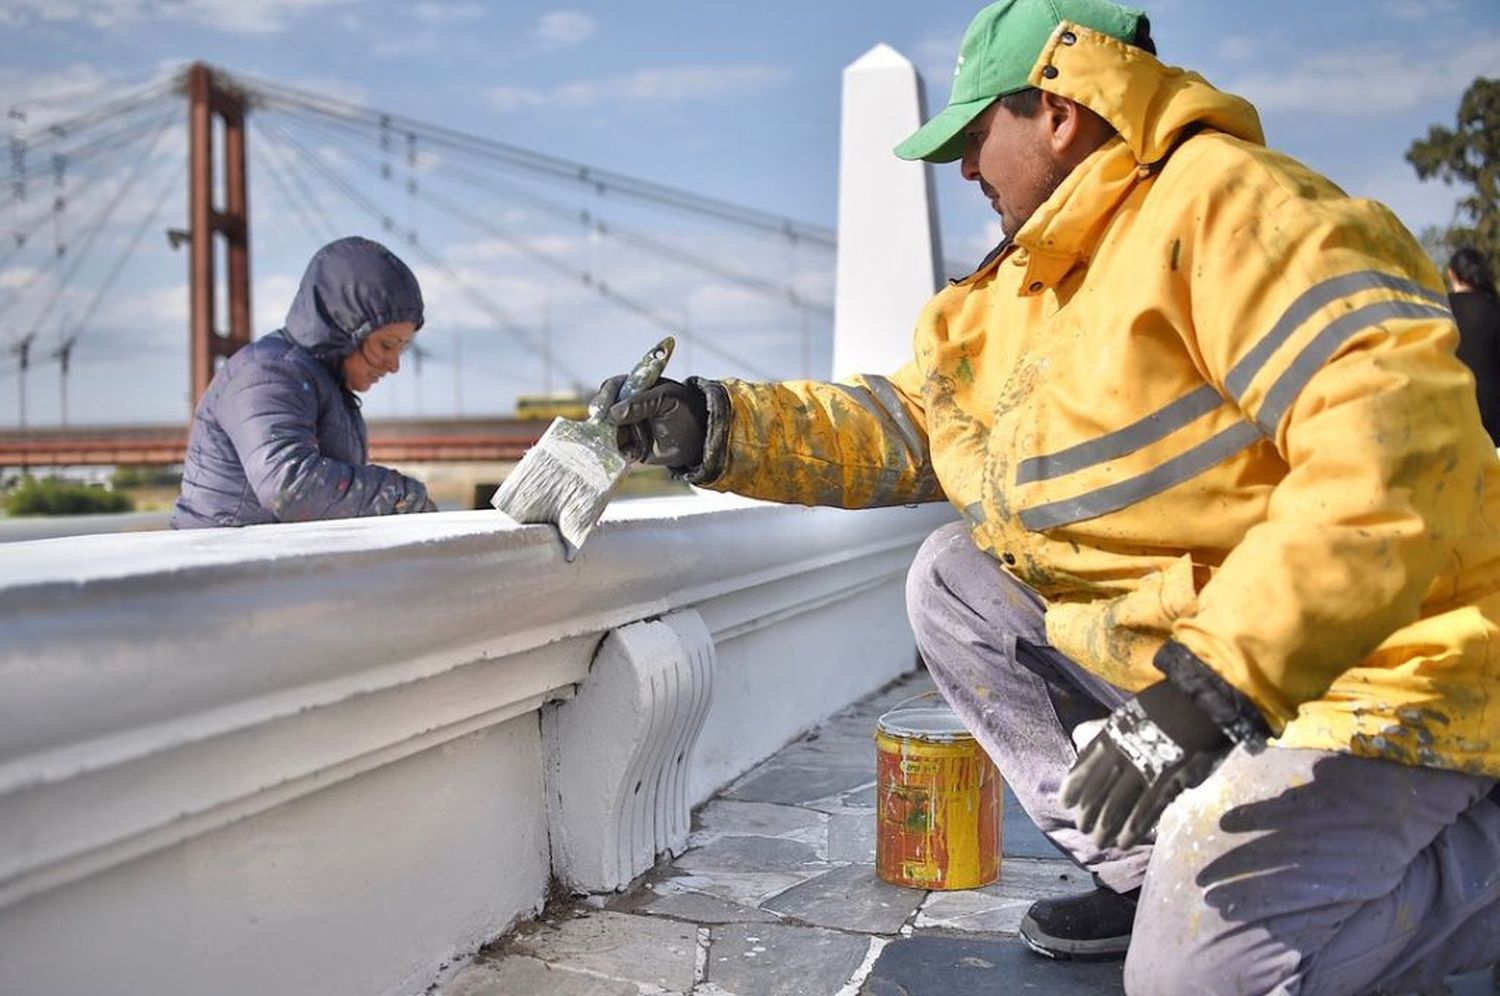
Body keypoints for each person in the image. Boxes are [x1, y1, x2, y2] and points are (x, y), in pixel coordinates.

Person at [595, 1, 1500, 992]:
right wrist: (708, 424)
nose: (965, 169)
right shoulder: (1024, 289)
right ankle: (1152, 872)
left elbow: (1391, 449)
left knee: (1194, 981)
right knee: (952, 575)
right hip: (1221, 662)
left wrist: (1209, 694)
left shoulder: (1238, 210)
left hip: (1384, 675)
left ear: (1059, 111)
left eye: (977, 136)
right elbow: (905, 426)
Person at [172, 236, 437, 528]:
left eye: (403, 347)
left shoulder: (325, 383)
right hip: (220, 565)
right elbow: (288, 488)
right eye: (386, 345)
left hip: (263, 562)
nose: (394, 365)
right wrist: (399, 493)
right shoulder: (268, 373)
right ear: (345, 328)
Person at [1448, 246, 1500, 445]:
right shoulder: (1494, 309)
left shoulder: (1438, 309)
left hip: (1450, 416)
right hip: (1492, 422)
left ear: (1451, 273)